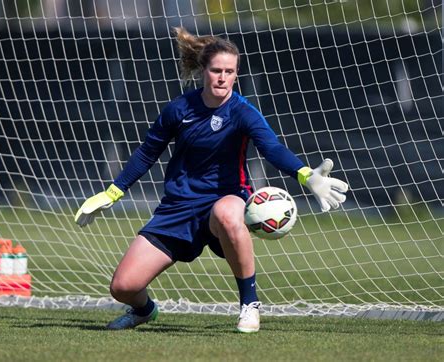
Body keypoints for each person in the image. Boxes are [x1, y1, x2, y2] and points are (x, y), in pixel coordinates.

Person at [74, 27, 348, 333]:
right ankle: (144, 311)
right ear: (203, 70)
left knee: (228, 214)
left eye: (229, 72)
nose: (222, 77)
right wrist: (112, 193)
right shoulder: (179, 109)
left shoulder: (243, 112)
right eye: (216, 70)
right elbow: (146, 153)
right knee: (123, 286)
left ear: (235, 75)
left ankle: (249, 304)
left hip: (225, 199)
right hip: (178, 208)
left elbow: (271, 148)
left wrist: (305, 175)